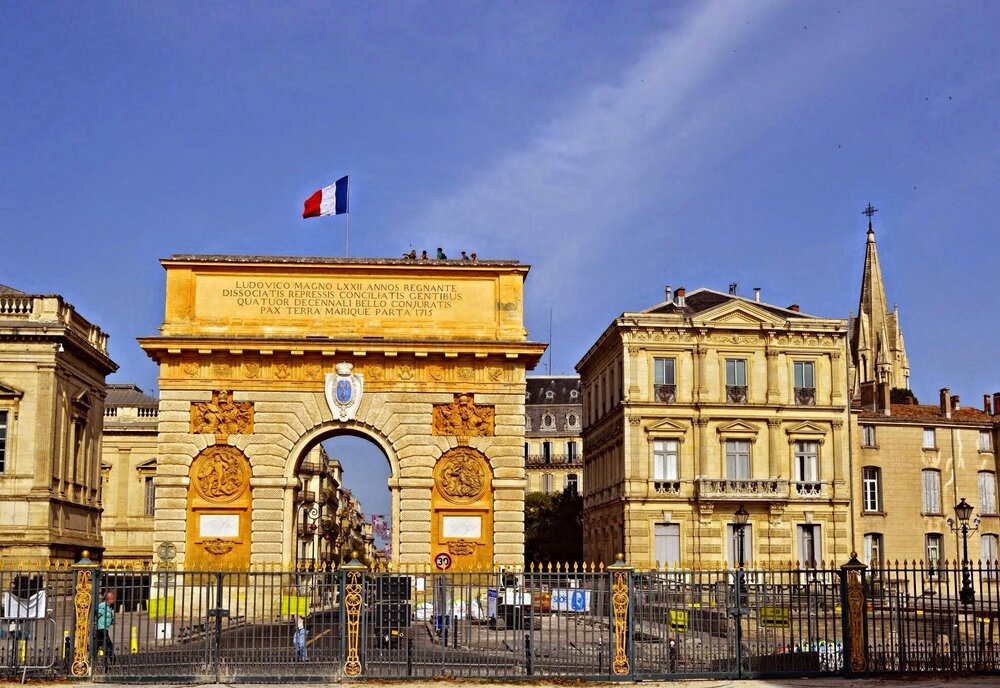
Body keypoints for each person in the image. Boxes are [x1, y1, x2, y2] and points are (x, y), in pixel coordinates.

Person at [95, 590, 116, 664]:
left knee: (98, 645)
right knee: (108, 644)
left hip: (104, 628)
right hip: (101, 629)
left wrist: (111, 621)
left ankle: (93, 660)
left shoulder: (109, 607)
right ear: (109, 599)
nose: (114, 599)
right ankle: (112, 658)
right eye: (112, 598)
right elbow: (98, 616)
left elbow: (108, 617)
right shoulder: (103, 606)